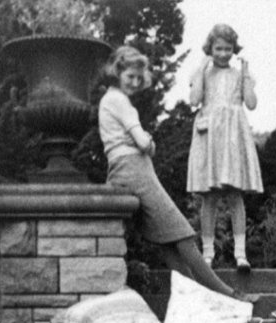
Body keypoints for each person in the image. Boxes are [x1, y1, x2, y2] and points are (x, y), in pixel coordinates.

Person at [98, 46, 247, 300]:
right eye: (129, 76)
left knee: (168, 243)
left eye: (138, 78)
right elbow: (143, 143)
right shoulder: (118, 101)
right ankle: (227, 295)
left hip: (124, 169)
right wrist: (149, 142)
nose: (135, 82)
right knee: (183, 234)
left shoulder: (109, 99)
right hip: (134, 169)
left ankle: (198, 301)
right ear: (117, 73)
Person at [186, 24, 263, 272]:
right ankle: (207, 254)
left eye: (228, 49)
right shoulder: (203, 73)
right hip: (210, 138)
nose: (223, 53)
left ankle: (240, 254)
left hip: (233, 137)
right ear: (210, 49)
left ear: (234, 49)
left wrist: (247, 74)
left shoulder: (240, 74)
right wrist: (200, 67)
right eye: (218, 48)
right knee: (209, 197)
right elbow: (194, 100)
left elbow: (251, 104)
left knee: (234, 194)